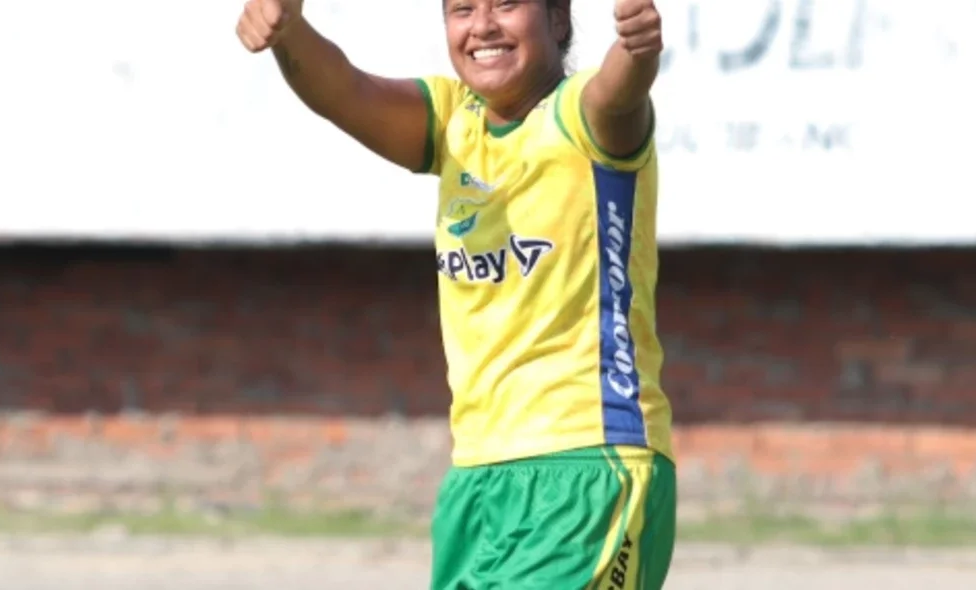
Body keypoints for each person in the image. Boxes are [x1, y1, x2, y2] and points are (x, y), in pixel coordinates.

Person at [237, 0, 675, 587]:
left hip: (588, 467)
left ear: (559, 21)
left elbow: (618, 94)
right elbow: (345, 89)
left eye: (506, 5)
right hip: (475, 480)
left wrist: (636, 50)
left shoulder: (582, 118)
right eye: (462, 9)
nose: (482, 26)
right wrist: (290, 28)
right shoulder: (453, 122)